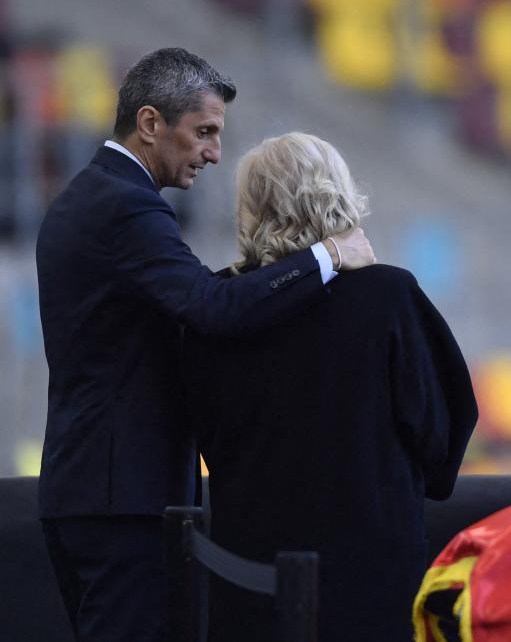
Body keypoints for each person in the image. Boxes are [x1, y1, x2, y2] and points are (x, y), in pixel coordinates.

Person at [35, 48, 375, 641]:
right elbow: (210, 310)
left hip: (95, 489)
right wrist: (327, 255)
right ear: (149, 124)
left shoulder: (93, 197)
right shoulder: (126, 208)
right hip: (123, 501)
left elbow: (188, 300)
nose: (215, 153)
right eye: (204, 133)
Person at [181, 132, 477, 641]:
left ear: (251, 209)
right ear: (335, 195)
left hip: (246, 580)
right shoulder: (388, 296)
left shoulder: (216, 309)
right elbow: (441, 436)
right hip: (369, 585)